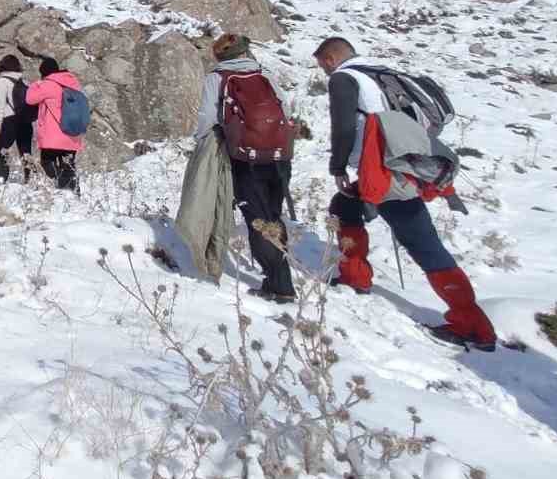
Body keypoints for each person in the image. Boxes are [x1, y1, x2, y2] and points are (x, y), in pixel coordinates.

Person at [314, 36, 497, 351]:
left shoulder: (344, 79)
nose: (324, 72)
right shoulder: (378, 73)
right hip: (400, 164)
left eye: (322, 65)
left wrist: (338, 166)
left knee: (422, 244)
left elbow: (343, 127)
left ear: (330, 58)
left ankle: (473, 326)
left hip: (385, 173)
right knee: (343, 207)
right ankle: (355, 276)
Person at [196, 33, 295, 303]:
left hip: (245, 159)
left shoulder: (217, 78)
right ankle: (280, 278)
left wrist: (202, 145)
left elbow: (207, 116)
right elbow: (285, 109)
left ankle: (280, 286)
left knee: (258, 219)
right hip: (279, 156)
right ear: (244, 53)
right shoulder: (265, 75)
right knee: (273, 214)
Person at [25, 56, 84, 192]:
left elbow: (30, 99)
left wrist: (37, 83)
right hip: (71, 134)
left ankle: (62, 188)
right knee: (68, 165)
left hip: (53, 136)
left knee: (47, 162)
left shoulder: (48, 85)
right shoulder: (73, 84)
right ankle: (73, 192)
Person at [0, 54, 34, 183]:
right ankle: (29, 180)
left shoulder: (2, 81)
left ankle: (2, 180)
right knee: (26, 152)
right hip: (26, 121)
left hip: (10, 120)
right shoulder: (24, 82)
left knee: (2, 152)